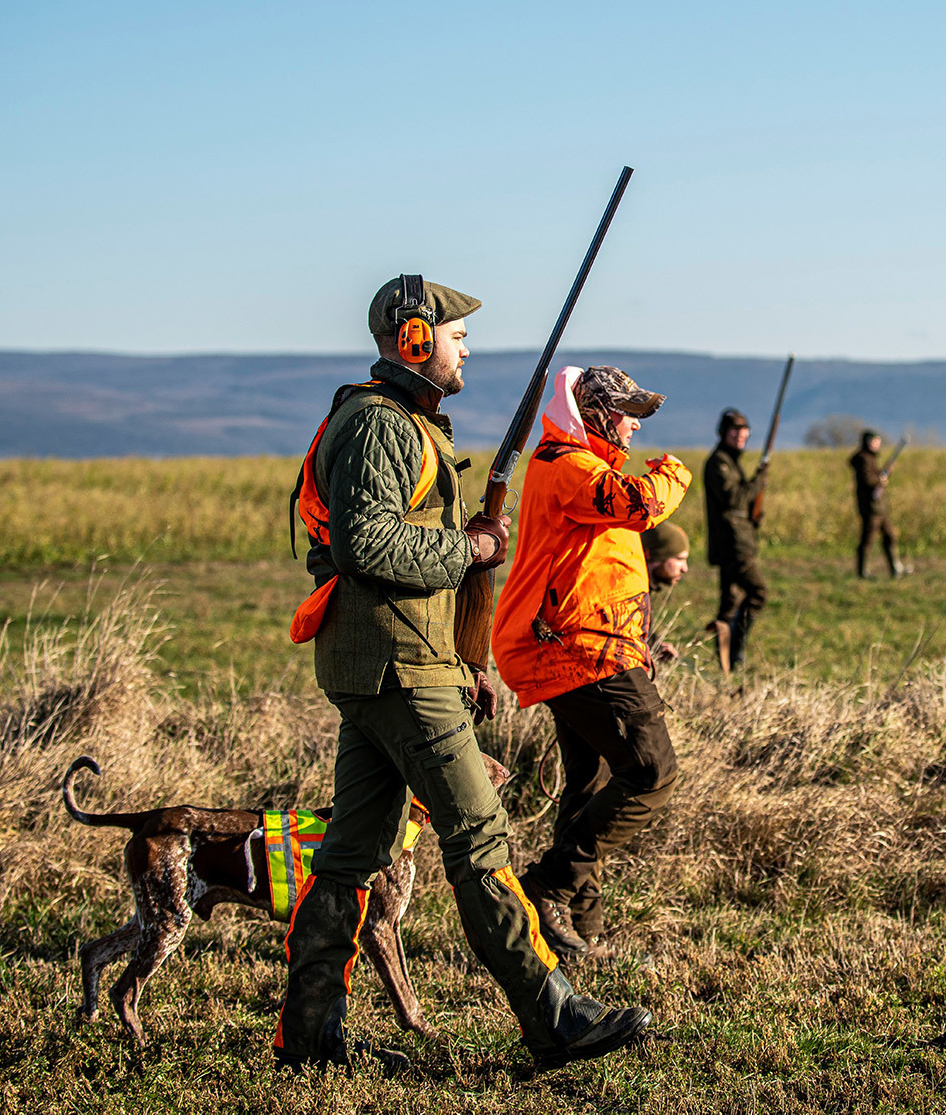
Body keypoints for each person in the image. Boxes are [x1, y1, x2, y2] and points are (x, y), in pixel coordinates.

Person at [279, 277, 650, 1074]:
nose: (465, 348)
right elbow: (367, 548)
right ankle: (554, 1020)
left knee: (348, 858)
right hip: (399, 669)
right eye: (455, 335)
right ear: (414, 341)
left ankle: (309, 1042)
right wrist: (473, 550)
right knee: (479, 841)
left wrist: (462, 658)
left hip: (394, 662)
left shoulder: (398, 423)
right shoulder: (383, 427)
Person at [491, 365, 691, 962]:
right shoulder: (569, 468)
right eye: (627, 412)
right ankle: (547, 889)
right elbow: (643, 504)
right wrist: (674, 469)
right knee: (652, 772)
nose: (634, 424)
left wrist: (638, 644)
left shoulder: (582, 467)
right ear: (599, 414)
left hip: (588, 645)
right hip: (577, 650)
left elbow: (599, 574)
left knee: (591, 784)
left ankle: (580, 928)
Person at [702, 407, 768, 672]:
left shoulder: (729, 460)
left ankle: (726, 661)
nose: (740, 436)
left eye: (744, 431)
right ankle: (736, 651)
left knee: (729, 604)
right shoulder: (719, 462)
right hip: (732, 544)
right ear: (724, 433)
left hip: (735, 541)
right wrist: (759, 482)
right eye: (735, 431)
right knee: (758, 592)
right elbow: (734, 498)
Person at [849, 429, 906, 580]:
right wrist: (881, 480)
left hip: (878, 507)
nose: (877, 444)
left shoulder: (869, 458)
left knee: (889, 536)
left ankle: (895, 568)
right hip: (870, 507)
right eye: (875, 441)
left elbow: (874, 477)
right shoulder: (863, 459)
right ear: (868, 442)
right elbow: (868, 480)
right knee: (868, 539)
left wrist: (886, 472)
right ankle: (863, 572)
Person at [642, 521, 690, 663]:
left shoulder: (643, 589)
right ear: (658, 556)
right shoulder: (629, 592)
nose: (685, 568)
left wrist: (655, 647)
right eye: (679, 559)